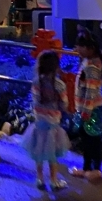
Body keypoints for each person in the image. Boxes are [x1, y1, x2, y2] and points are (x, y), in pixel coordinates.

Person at [22, 50, 70, 191]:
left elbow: (35, 99)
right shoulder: (59, 84)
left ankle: (39, 178)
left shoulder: (36, 82)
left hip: (39, 121)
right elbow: (64, 103)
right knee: (52, 154)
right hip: (53, 123)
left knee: (39, 151)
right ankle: (54, 181)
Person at [71, 30, 102, 182]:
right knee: (87, 140)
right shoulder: (88, 61)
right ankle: (86, 168)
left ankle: (96, 169)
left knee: (93, 141)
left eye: (80, 46)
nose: (77, 49)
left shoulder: (92, 66)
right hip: (87, 109)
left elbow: (90, 91)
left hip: (91, 110)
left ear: (90, 48)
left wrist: (85, 112)